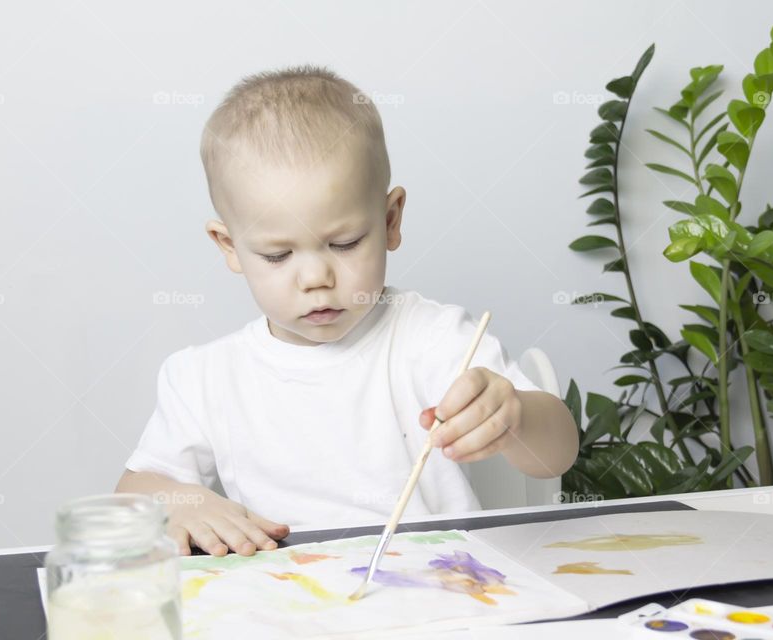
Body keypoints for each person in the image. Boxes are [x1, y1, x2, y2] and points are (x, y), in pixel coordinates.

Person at [116, 65, 578, 557]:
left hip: (443, 589)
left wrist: (515, 417)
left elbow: (557, 455)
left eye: (344, 243)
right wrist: (180, 502)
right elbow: (133, 492)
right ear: (229, 246)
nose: (315, 278)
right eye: (277, 255)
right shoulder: (205, 378)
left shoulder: (433, 339)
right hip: (290, 604)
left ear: (390, 220)